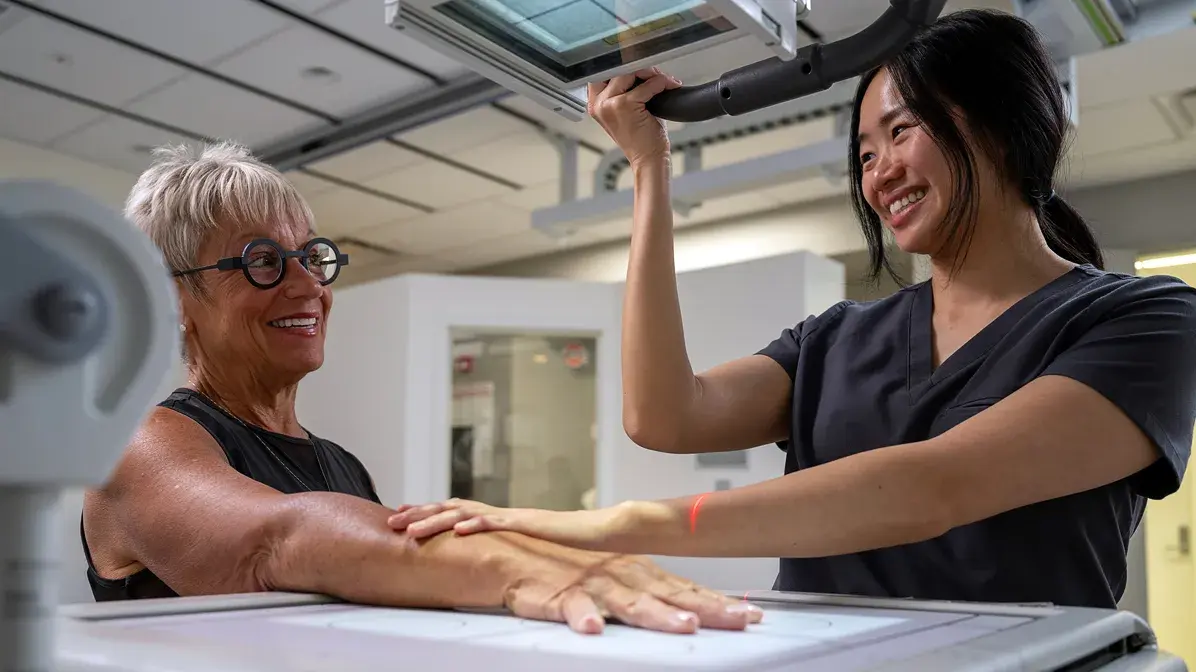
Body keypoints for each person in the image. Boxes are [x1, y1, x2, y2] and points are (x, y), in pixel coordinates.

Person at [388, 9, 1196, 610]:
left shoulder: (1144, 322)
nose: (878, 173)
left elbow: (932, 487)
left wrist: (613, 525)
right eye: (864, 154)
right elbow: (663, 416)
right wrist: (648, 172)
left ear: (1003, 128)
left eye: (901, 131)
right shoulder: (837, 339)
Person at [79, 141, 762, 636]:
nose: (309, 286)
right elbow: (279, 540)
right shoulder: (140, 448)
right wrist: (529, 568)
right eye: (262, 263)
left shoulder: (341, 465)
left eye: (311, 257)